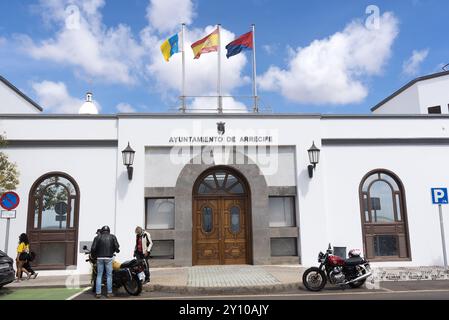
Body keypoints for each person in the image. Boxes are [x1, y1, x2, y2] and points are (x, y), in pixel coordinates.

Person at [91, 226, 120, 298]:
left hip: (99, 258)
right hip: (109, 258)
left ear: (102, 231)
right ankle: (109, 293)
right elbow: (117, 246)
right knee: (109, 275)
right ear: (109, 231)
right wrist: (116, 250)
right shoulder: (112, 236)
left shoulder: (97, 237)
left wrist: (94, 256)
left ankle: (98, 293)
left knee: (99, 275)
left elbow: (93, 248)